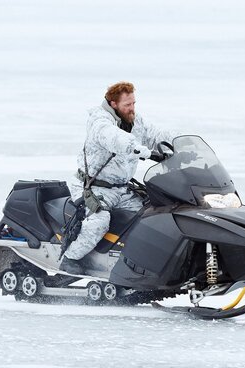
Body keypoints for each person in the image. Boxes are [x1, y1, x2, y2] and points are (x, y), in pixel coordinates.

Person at [61, 81, 176, 274]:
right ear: (113, 104)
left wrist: (179, 143)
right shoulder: (100, 122)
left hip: (121, 189)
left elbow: (155, 135)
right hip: (92, 187)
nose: (132, 109)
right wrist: (141, 150)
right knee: (100, 220)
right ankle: (70, 258)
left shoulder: (134, 120)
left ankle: (135, 261)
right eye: (127, 105)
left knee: (150, 214)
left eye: (133, 103)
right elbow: (116, 139)